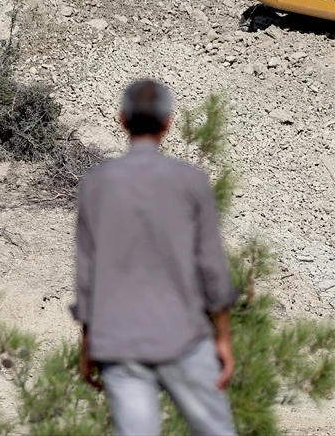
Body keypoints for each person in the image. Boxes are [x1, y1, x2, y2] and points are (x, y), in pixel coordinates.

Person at [72, 79, 240, 436]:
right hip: (184, 336)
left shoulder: (96, 184)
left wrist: (88, 341)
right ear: (168, 123)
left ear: (121, 120)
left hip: (118, 342)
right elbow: (211, 265)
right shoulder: (191, 181)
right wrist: (223, 337)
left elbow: (87, 274)